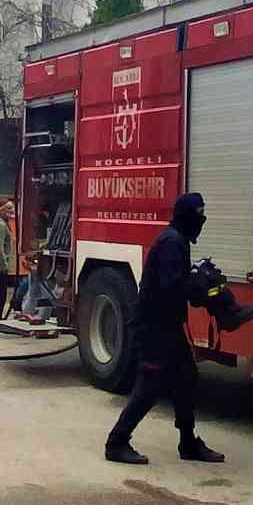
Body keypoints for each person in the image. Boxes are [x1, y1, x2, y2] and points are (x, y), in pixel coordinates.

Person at [104, 192, 225, 467]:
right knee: (149, 386)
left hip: (166, 325)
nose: (201, 222)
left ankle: (187, 442)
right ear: (186, 217)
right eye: (198, 217)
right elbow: (171, 286)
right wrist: (199, 285)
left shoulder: (178, 239)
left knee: (186, 377)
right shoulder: (172, 242)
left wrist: (198, 284)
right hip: (154, 327)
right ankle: (116, 442)